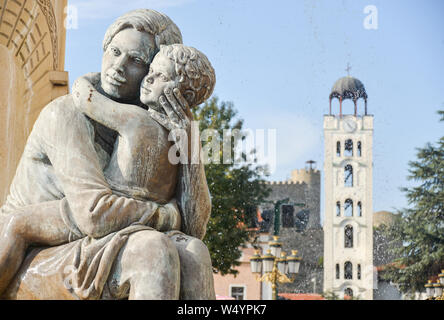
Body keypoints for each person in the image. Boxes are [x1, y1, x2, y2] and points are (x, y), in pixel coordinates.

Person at [0, 9, 213, 300]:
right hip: (38, 253)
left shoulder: (154, 126)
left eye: (136, 61)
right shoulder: (64, 114)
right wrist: (167, 215)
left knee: (194, 253)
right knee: (152, 251)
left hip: (96, 241)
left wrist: (189, 145)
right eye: (114, 51)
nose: (118, 66)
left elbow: (195, 228)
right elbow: (94, 215)